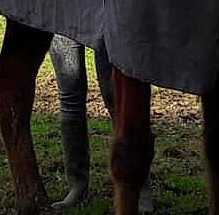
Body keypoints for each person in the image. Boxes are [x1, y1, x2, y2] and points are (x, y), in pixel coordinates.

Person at [48, 34, 154, 212]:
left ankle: (138, 186)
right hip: (65, 11)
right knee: (70, 92)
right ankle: (77, 185)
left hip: (104, 10)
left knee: (117, 95)